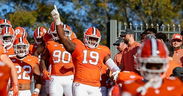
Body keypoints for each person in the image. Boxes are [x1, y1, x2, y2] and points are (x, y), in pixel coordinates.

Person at [51, 6, 120, 96]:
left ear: (98, 40)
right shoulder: (78, 46)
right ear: (85, 38)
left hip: (96, 86)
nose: (92, 41)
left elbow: (113, 66)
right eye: (90, 38)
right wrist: (57, 20)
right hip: (80, 84)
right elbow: (63, 37)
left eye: (94, 39)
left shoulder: (102, 50)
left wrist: (117, 71)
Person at [116, 38, 183, 96]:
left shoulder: (176, 85)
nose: (153, 69)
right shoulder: (129, 86)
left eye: (157, 65)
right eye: (149, 65)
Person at [41, 22, 75, 96]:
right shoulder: (50, 44)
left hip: (70, 77)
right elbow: (43, 58)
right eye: (56, 34)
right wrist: (44, 70)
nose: (59, 36)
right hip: (55, 77)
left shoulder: (74, 43)